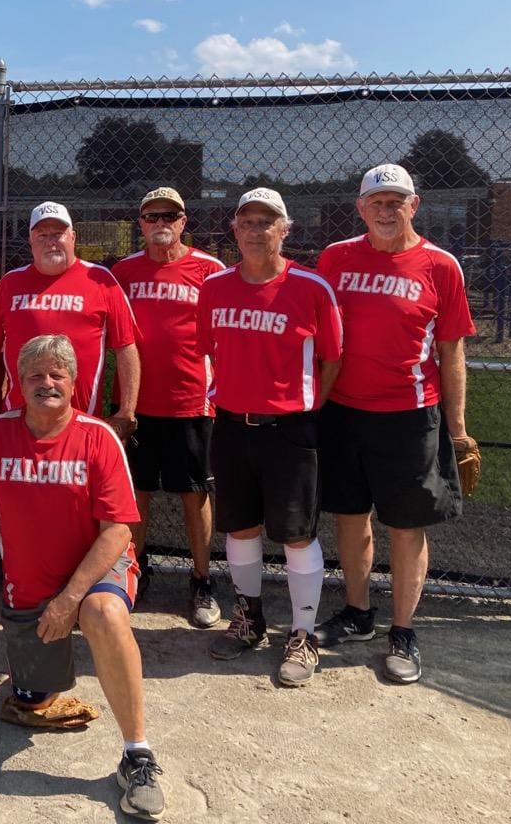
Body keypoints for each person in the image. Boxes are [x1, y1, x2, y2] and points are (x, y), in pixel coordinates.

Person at [0, 334, 167, 821]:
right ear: (18, 384)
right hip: (31, 581)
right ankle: (34, 675)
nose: (46, 382)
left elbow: (119, 529)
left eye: (57, 374)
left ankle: (137, 755)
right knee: (31, 702)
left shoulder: (98, 437)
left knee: (102, 612)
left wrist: (70, 599)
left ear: (75, 383)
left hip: (95, 570)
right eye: (34, 374)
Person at [314, 164, 477, 684]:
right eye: (376, 202)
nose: (386, 211)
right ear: (360, 208)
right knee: (349, 515)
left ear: (415, 205)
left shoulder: (440, 265)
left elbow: (452, 351)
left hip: (410, 414)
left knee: (406, 525)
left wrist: (457, 429)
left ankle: (403, 630)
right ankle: (358, 612)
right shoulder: (336, 258)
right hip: (343, 410)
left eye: (396, 201)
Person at [198, 187, 343, 687]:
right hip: (230, 424)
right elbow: (207, 349)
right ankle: (249, 618)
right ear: (234, 230)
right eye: (247, 222)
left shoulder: (311, 287)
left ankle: (302, 634)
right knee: (240, 527)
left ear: (285, 229)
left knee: (297, 533)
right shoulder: (215, 287)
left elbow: (332, 360)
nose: (256, 231)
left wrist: (304, 409)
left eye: (266, 222)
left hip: (289, 429)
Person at [111, 187, 225, 625]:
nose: (160, 223)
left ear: (183, 222)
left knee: (195, 493)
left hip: (191, 402)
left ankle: (201, 579)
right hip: (134, 404)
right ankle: (134, 573)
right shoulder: (123, 272)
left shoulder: (209, 270)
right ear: (140, 223)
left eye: (169, 216)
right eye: (152, 216)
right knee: (135, 493)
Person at [0, 201, 140, 437]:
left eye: (58, 234)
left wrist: (126, 411)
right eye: (42, 235)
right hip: (18, 422)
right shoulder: (10, 283)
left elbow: (126, 347)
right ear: (31, 241)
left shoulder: (101, 280)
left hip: (83, 422)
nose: (50, 242)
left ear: (73, 237)